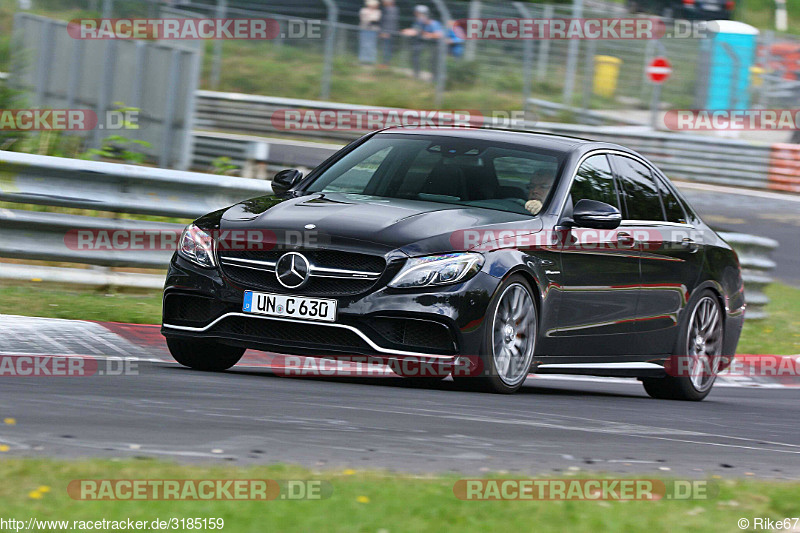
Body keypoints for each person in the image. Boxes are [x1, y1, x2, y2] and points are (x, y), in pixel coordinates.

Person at [401, 5, 443, 79]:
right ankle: (416, 75)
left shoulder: (433, 23)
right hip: (427, 45)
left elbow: (439, 35)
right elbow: (416, 30)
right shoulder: (420, 23)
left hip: (435, 46)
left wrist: (427, 35)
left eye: (418, 14)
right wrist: (407, 31)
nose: (417, 15)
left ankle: (436, 78)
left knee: (434, 62)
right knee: (416, 57)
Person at [358, 0, 382, 64]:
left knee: (372, 45)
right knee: (364, 45)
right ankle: (363, 60)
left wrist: (370, 19)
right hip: (365, 29)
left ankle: (370, 60)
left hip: (373, 30)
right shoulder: (364, 10)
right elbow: (364, 19)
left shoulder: (377, 12)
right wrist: (370, 19)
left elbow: (376, 19)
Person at [379, 0, 399, 66]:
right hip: (390, 31)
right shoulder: (394, 9)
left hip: (388, 32)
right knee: (387, 47)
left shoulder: (390, 10)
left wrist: (385, 32)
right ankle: (386, 62)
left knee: (387, 48)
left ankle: (386, 63)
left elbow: (389, 22)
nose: (383, 2)